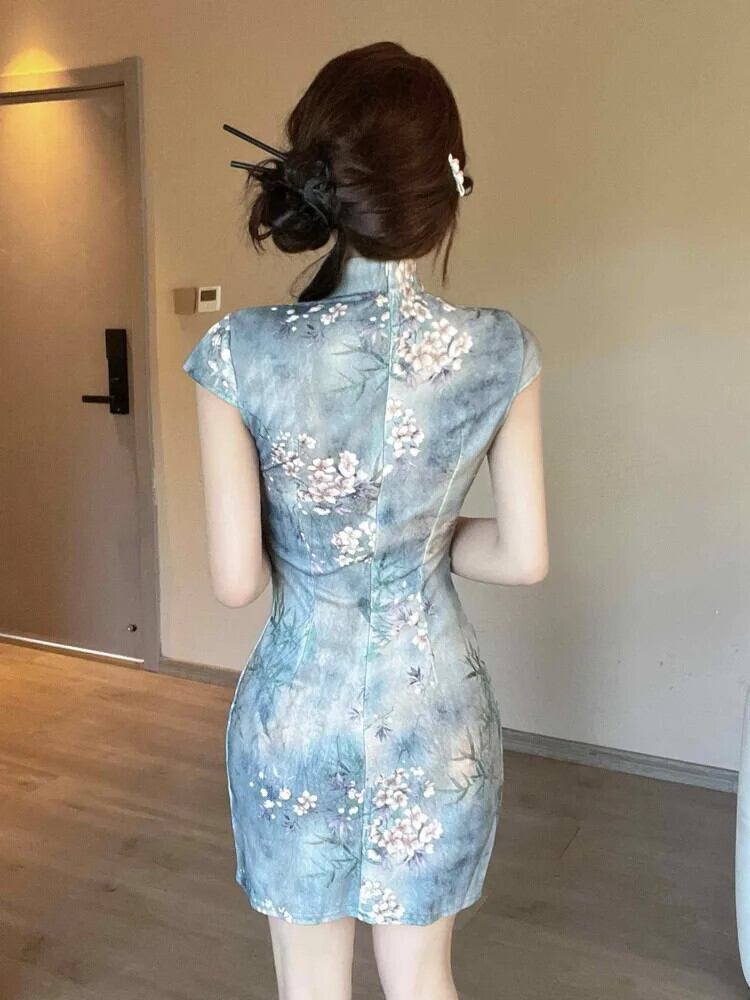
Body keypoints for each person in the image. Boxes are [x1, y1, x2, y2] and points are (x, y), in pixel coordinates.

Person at [183, 40, 548, 1000]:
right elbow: (524, 557)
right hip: (437, 717)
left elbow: (236, 582)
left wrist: (331, 537)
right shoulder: (501, 351)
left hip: (296, 719)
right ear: (447, 188)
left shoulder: (238, 351)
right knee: (424, 980)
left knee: (310, 987)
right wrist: (417, 538)